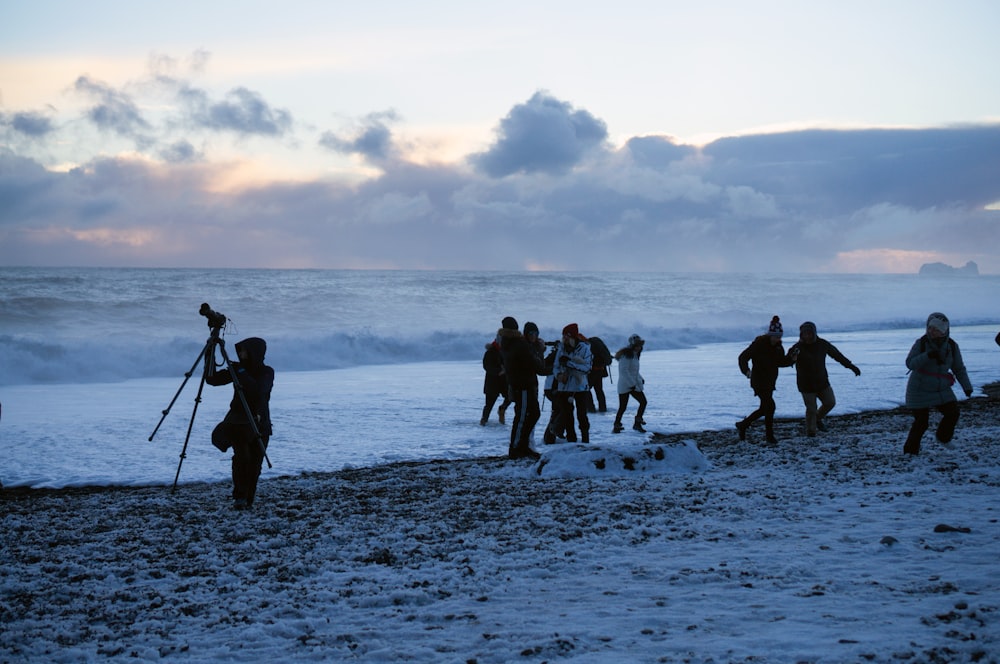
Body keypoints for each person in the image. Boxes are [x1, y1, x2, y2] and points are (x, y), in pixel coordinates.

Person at [206, 337, 274, 510]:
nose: (241, 353)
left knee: (255, 463)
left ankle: (248, 498)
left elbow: (257, 390)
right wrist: (210, 352)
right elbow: (212, 379)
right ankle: (239, 498)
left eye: (244, 350)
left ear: (254, 352)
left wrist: (241, 371)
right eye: (240, 350)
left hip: (260, 423)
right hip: (238, 423)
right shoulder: (238, 370)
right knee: (241, 459)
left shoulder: (267, 372)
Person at [903, 312, 974, 455]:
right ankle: (910, 452)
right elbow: (910, 364)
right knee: (921, 423)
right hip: (919, 387)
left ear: (944, 331)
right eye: (930, 328)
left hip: (940, 387)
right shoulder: (921, 343)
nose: (931, 331)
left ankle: (943, 438)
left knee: (953, 413)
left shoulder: (952, 346)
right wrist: (927, 355)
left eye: (936, 329)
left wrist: (967, 387)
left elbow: (959, 368)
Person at [787, 321, 861, 437]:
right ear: (801, 335)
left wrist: (851, 366)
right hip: (805, 384)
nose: (807, 336)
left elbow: (838, 356)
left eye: (809, 333)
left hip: (822, 382)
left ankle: (817, 419)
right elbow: (788, 360)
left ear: (814, 333)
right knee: (811, 409)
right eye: (804, 334)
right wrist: (792, 357)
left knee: (830, 402)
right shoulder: (797, 347)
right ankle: (811, 433)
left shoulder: (823, 344)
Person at [736, 316, 794, 445]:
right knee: (770, 407)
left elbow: (780, 362)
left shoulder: (779, 347)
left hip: (770, 382)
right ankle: (769, 436)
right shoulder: (759, 344)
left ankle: (743, 425)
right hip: (758, 381)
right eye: (775, 337)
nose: (778, 339)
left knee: (764, 408)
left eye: (779, 337)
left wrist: (791, 359)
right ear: (770, 335)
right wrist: (746, 371)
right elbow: (742, 357)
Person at [497, 317, 545, 459]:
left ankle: (521, 445)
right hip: (524, 385)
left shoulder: (506, 343)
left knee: (529, 414)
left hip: (518, 384)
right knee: (523, 416)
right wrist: (540, 352)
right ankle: (517, 448)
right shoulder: (519, 344)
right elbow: (535, 365)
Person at [552, 323, 594, 443]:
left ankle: (585, 439)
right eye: (563, 336)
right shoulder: (561, 348)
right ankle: (571, 439)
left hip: (580, 387)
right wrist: (558, 375)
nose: (564, 339)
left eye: (566, 336)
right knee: (567, 415)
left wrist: (569, 363)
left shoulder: (584, 349)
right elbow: (555, 367)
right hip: (564, 387)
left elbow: (587, 368)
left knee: (582, 415)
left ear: (573, 337)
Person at [612, 334, 647, 433]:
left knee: (642, 402)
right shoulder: (627, 355)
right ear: (632, 345)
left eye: (640, 346)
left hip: (633, 384)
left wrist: (641, 379)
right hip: (626, 385)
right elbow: (624, 371)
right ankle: (617, 426)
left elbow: (634, 371)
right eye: (637, 345)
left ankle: (636, 423)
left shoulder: (634, 355)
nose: (639, 347)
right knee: (623, 407)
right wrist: (632, 384)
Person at [480, 336, 511, 426]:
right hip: (492, 381)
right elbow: (486, 366)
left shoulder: (506, 351)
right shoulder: (490, 352)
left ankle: (502, 409)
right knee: (489, 403)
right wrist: (499, 371)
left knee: (510, 396)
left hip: (504, 380)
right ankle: (484, 419)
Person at [586, 335, 613, 413]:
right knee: (599, 390)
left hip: (592, 372)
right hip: (600, 371)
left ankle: (591, 408)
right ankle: (602, 408)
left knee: (587, 389)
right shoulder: (597, 346)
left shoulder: (590, 347)